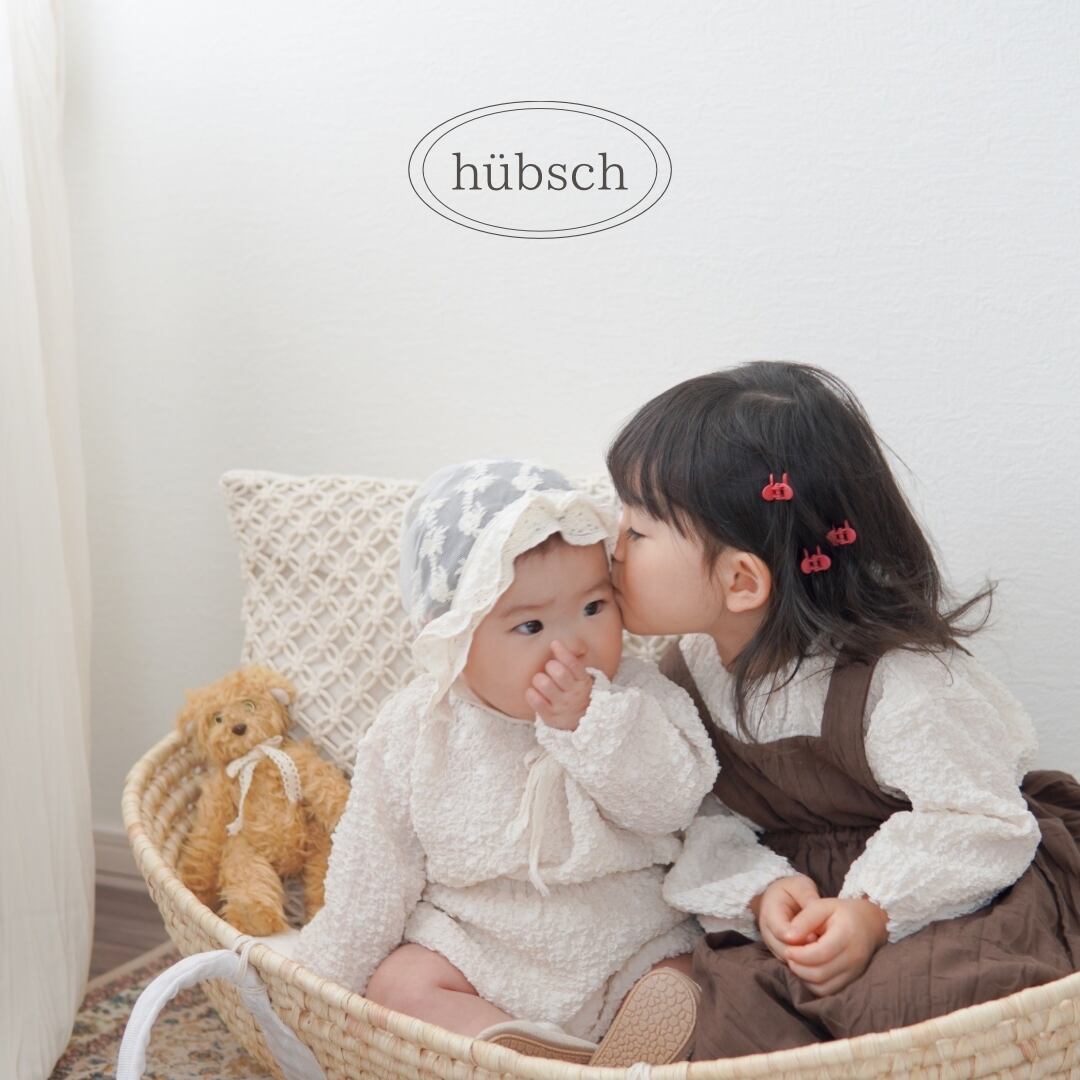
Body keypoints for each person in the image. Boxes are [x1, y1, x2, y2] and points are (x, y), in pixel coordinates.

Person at [604, 362, 1080, 1058]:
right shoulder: (685, 672)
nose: (610, 546)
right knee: (736, 1009)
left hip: (941, 891)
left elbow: (980, 817)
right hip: (803, 903)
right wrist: (762, 890)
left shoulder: (898, 681)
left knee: (915, 999)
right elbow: (705, 815)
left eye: (637, 532)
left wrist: (873, 911)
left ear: (741, 581)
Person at [295, 458, 718, 1065]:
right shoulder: (420, 725)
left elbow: (672, 801)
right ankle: (524, 1056)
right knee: (398, 985)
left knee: (691, 977)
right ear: (457, 636)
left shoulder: (637, 694)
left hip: (627, 941)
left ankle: (612, 1053)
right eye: (531, 625)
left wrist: (591, 724)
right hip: (478, 948)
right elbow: (373, 868)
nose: (572, 644)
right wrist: (320, 980)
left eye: (594, 608)